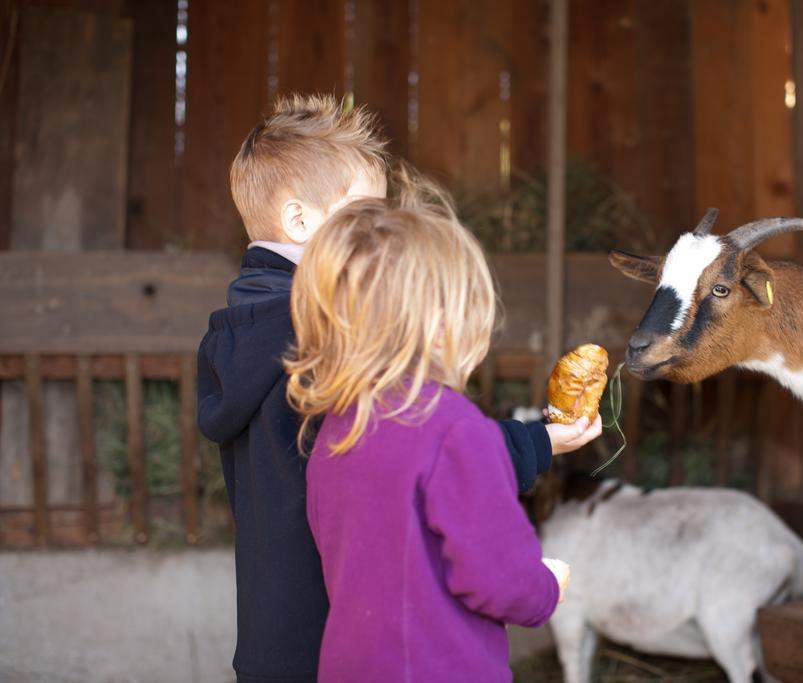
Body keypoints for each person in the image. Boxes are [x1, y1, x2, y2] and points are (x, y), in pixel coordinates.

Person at [196, 93, 599, 683]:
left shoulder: (239, 335)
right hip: (356, 634)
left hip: (275, 639)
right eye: (367, 217)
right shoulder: (329, 332)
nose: (386, 235)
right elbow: (426, 449)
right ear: (301, 221)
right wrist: (537, 442)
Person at [285, 194, 573, 682]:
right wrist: (547, 586)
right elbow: (500, 578)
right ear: (442, 328)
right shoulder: (457, 430)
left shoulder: (336, 427)